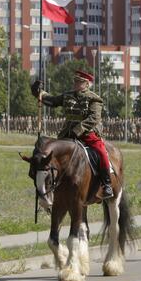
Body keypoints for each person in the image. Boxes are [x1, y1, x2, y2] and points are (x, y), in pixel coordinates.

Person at [31, 70, 113, 198]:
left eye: (79, 82)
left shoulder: (94, 99)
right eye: (75, 81)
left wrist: (78, 130)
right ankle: (48, 182)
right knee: (51, 154)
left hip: (87, 134)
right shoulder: (68, 95)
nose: (75, 83)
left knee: (102, 152)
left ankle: (106, 184)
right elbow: (52, 101)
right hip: (67, 134)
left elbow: (93, 118)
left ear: (86, 84)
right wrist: (38, 92)